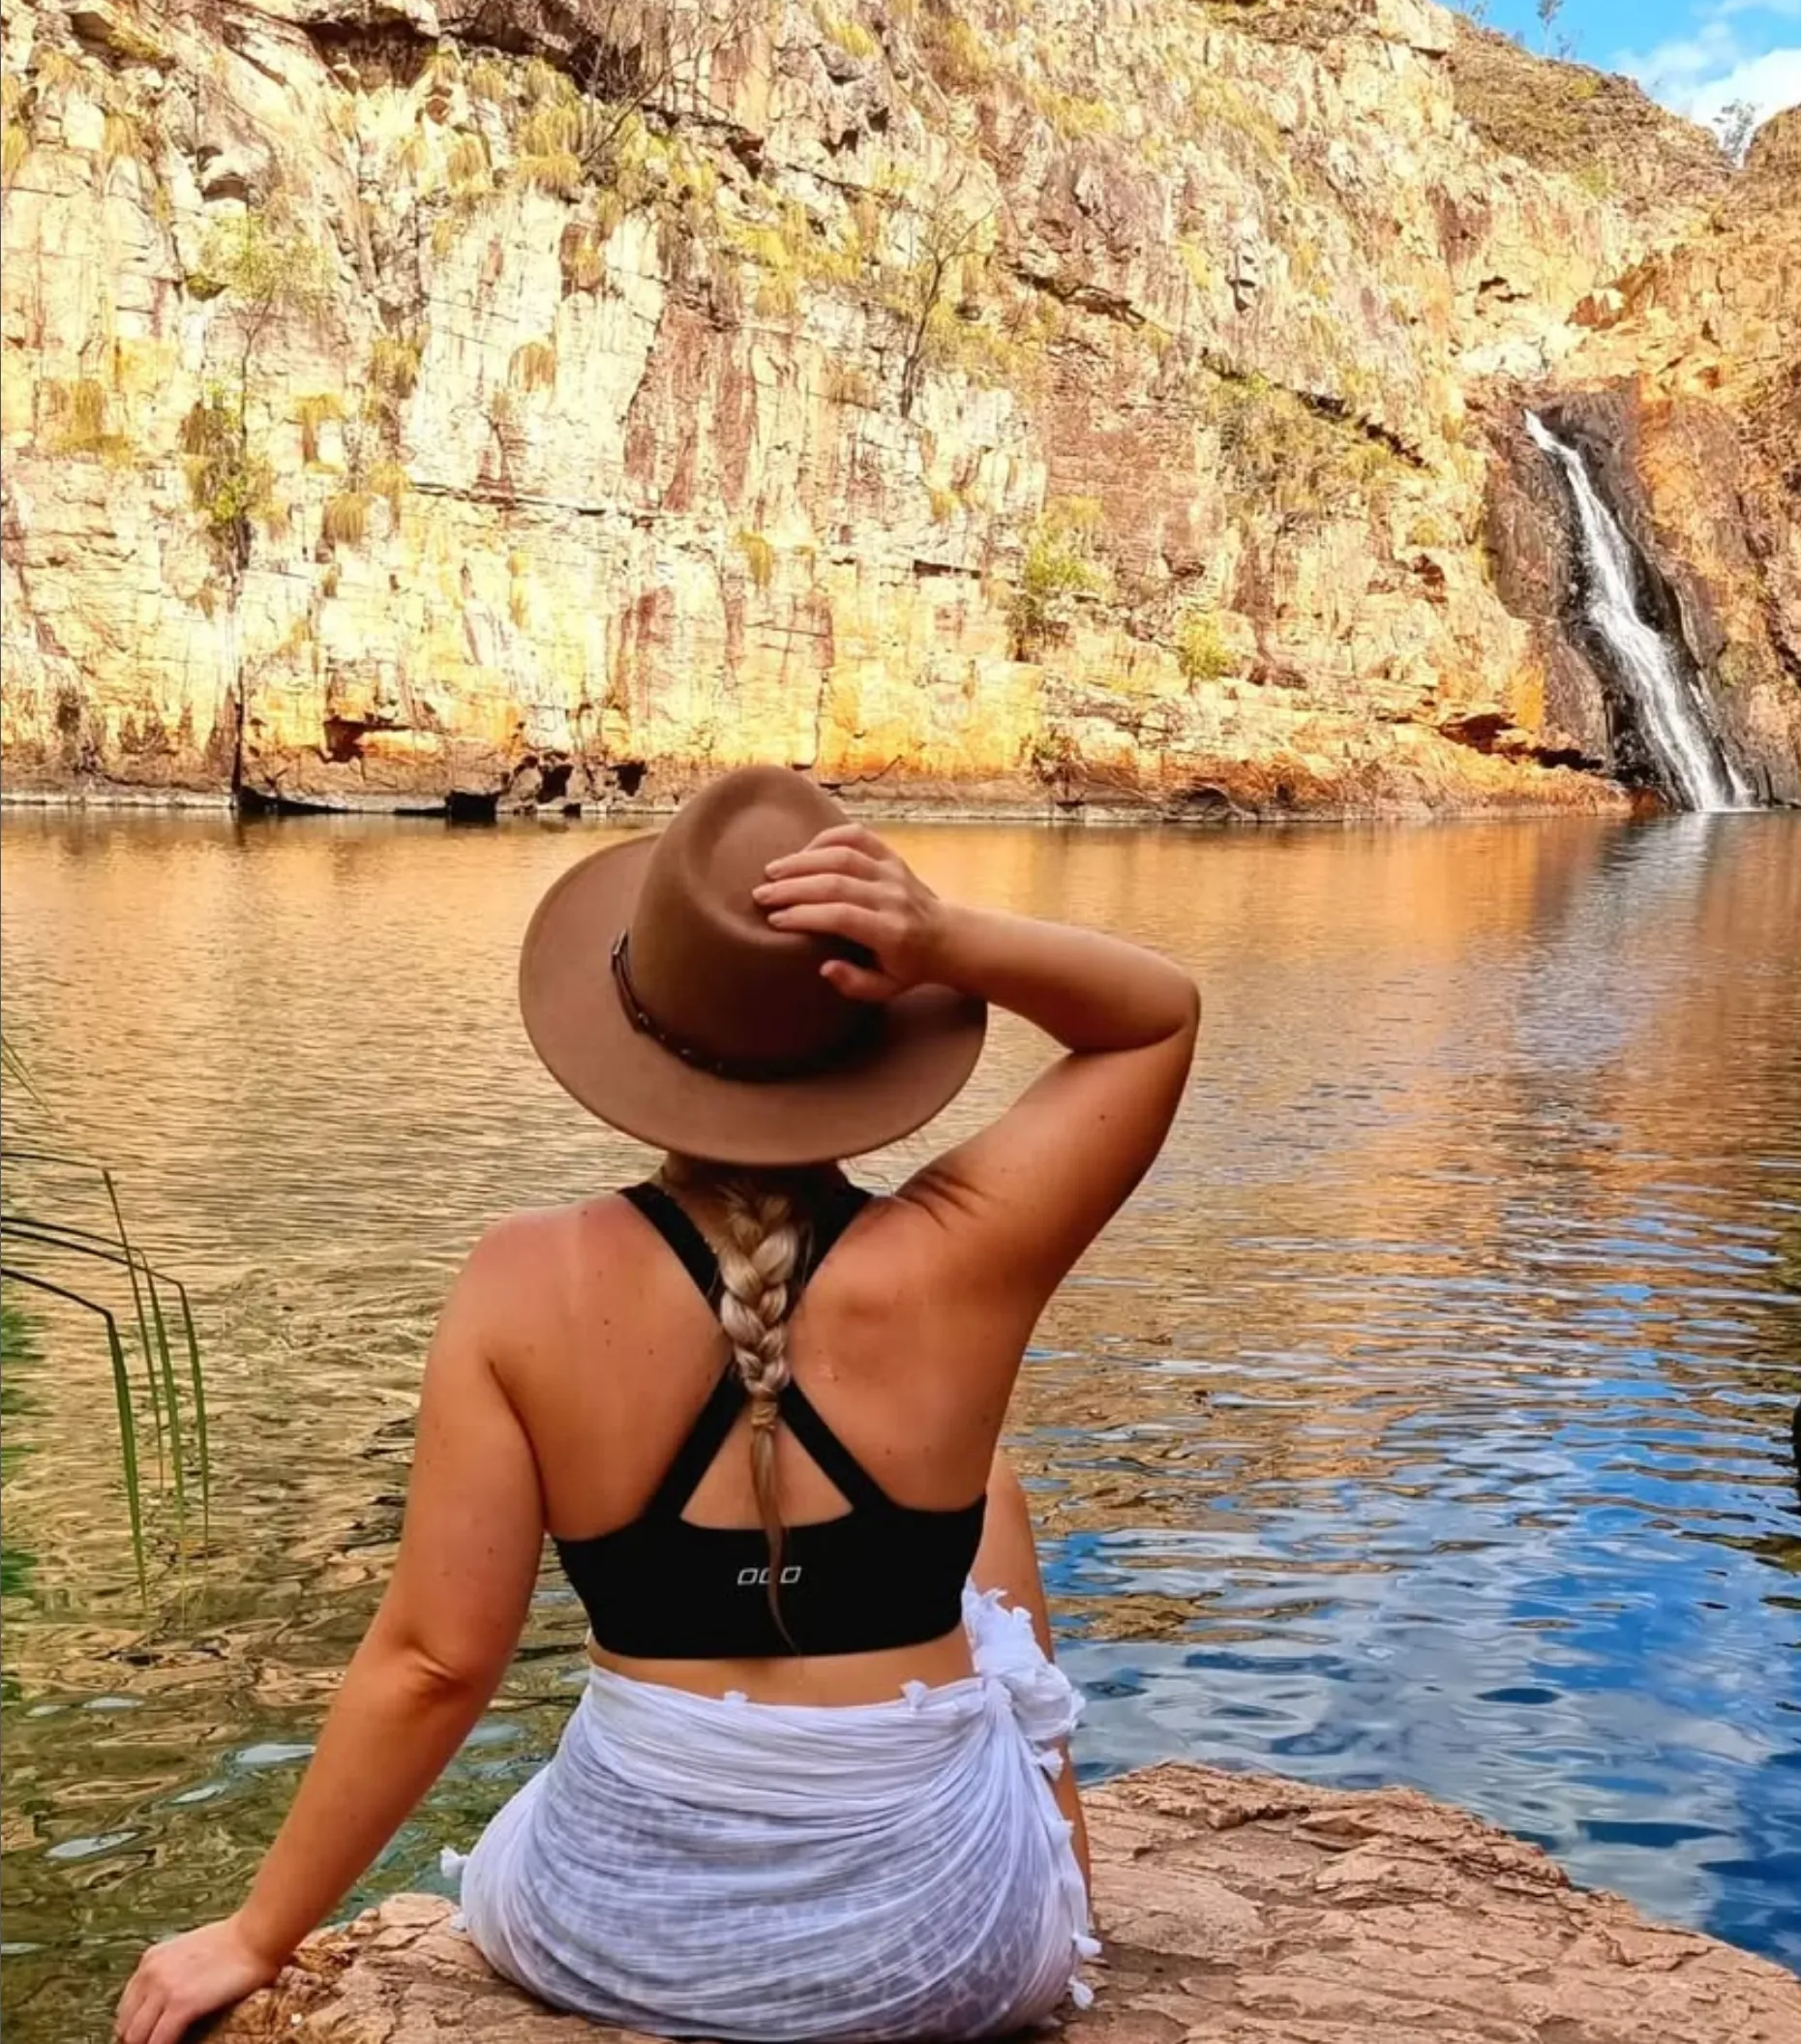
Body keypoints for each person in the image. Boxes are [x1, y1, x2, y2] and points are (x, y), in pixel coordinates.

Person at [114, 766, 1201, 2044]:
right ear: (870, 1033)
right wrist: (945, 938)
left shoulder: (523, 1283)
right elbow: (1154, 1019)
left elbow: (435, 1662)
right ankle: (1051, 1879)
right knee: (990, 1488)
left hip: (621, 1934)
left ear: (633, 1027)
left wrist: (256, 1935)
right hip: (941, 1950)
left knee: (550, 1801)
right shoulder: (964, 1258)